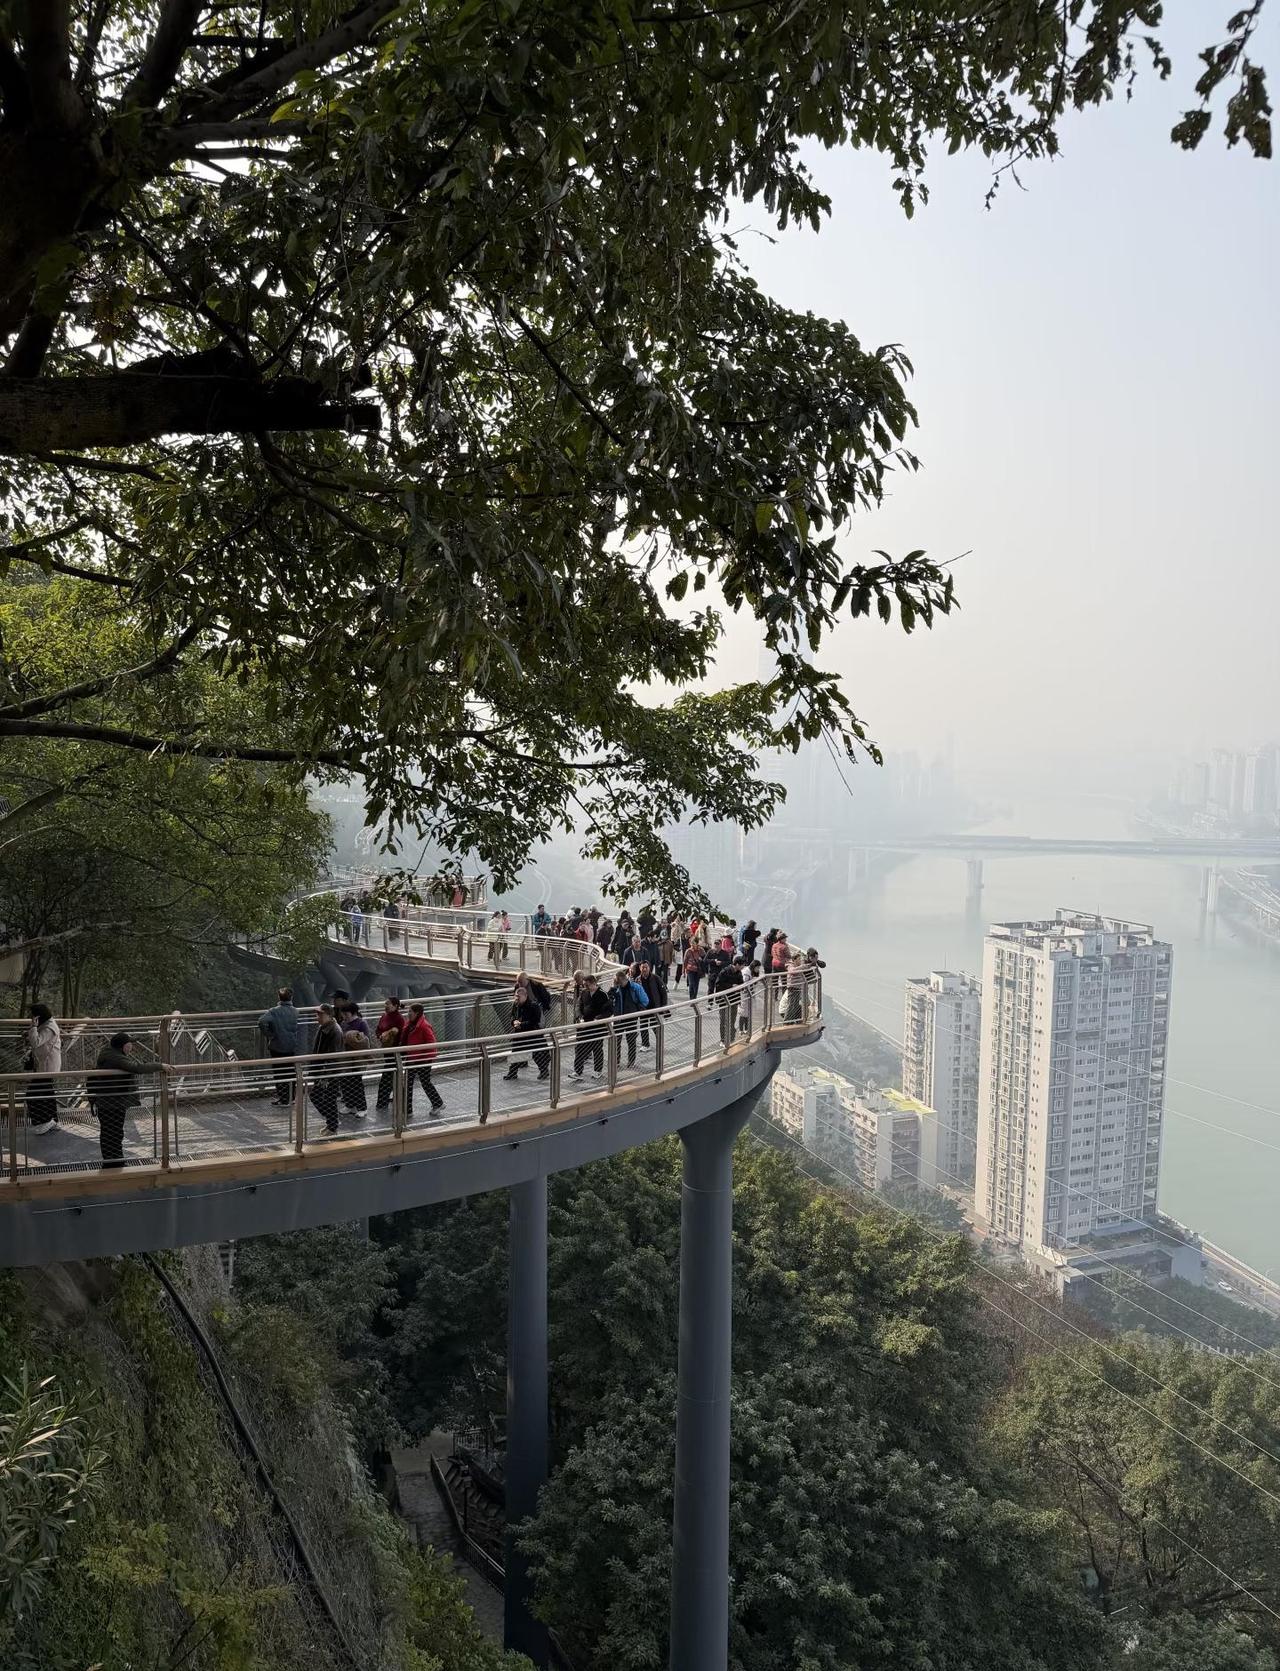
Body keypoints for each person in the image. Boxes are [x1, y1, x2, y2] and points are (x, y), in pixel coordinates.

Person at [90, 1032, 143, 1169]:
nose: (131, 1046)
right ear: (123, 1046)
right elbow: (137, 1068)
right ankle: (114, 1162)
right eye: (129, 1043)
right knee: (114, 1132)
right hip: (113, 1102)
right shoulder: (117, 1059)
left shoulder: (108, 1053)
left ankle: (112, 1160)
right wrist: (161, 1066)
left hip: (107, 1101)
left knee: (110, 1131)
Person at [24, 1003, 62, 1134]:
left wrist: (33, 1027)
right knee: (47, 1093)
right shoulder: (47, 1025)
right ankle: (53, 1120)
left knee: (33, 1094)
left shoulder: (49, 1028)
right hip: (45, 1066)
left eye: (32, 1016)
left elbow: (36, 1042)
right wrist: (32, 1029)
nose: (31, 1018)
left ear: (38, 1017)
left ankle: (46, 1121)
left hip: (47, 1067)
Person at [258, 987, 298, 1107]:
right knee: (290, 1071)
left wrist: (269, 1035)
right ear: (291, 997)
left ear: (279, 997)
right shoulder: (296, 1011)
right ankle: (291, 1097)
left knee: (279, 1072)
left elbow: (261, 1021)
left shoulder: (274, 1011)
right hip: (291, 1045)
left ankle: (283, 1098)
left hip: (277, 1045)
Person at [402, 1002, 445, 1117]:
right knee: (408, 1083)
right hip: (412, 1058)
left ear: (416, 1013)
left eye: (410, 1011)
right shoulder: (411, 1024)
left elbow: (432, 1044)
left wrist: (426, 1059)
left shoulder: (424, 1026)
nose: (408, 1013)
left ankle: (437, 1103)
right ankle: (408, 1110)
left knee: (424, 1082)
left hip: (422, 1059)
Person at [504, 976, 549, 1081]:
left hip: (531, 1034)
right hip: (519, 1033)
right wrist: (514, 1022)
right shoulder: (516, 1005)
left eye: (518, 997)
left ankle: (544, 1071)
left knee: (536, 1054)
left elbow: (535, 1020)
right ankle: (512, 1072)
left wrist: (522, 1024)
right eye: (516, 997)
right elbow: (512, 1016)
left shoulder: (534, 1006)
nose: (516, 999)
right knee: (515, 1053)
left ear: (525, 996)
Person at [309, 1004, 346, 1133]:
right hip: (322, 1070)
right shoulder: (324, 1028)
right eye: (317, 1014)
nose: (317, 1017)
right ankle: (331, 1122)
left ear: (329, 1016)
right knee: (323, 1097)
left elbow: (333, 1057)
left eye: (320, 1014)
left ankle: (333, 1124)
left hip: (330, 1072)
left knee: (325, 1098)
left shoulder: (334, 1031)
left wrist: (325, 1076)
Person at [572, 974, 612, 1078]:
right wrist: (579, 1017)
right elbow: (578, 1006)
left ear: (594, 983)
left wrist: (598, 1018)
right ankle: (578, 1071)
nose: (585, 987)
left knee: (597, 1048)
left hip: (597, 1027)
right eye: (584, 985)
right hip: (584, 1025)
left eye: (587, 985)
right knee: (579, 1048)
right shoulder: (584, 993)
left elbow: (609, 1010)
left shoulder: (603, 995)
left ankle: (598, 1070)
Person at [609, 967, 648, 1067]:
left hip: (631, 1018)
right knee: (616, 1041)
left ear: (622, 980)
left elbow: (645, 1000)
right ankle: (616, 1061)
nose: (617, 985)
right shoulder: (615, 989)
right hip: (618, 1019)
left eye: (618, 983)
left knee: (631, 1041)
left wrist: (638, 1008)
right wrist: (612, 990)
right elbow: (609, 1002)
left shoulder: (635, 987)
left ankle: (631, 1062)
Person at [374, 997, 405, 1112]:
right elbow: (377, 1030)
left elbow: (402, 1035)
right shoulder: (384, 1016)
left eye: (388, 1004)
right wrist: (381, 1036)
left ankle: (382, 1103)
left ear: (395, 1006)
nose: (386, 1006)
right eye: (385, 1004)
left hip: (395, 1052)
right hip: (387, 1050)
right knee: (393, 1075)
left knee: (387, 1076)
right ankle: (400, 1098)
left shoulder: (399, 1019)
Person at [713, 956, 745, 1047]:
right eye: (742, 965)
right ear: (737, 964)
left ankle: (731, 1039)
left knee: (732, 1019)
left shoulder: (739, 973)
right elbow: (718, 984)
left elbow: (741, 984)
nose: (743, 967)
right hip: (723, 1000)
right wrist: (731, 986)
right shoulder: (724, 971)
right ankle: (722, 1040)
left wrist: (739, 987)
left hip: (734, 999)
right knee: (723, 1020)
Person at [636, 960, 667, 1049]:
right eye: (643, 967)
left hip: (654, 1007)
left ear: (649, 968)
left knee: (656, 1026)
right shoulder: (637, 980)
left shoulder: (656, 978)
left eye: (646, 967)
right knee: (643, 1026)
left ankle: (660, 1043)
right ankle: (645, 1044)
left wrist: (663, 1005)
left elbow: (663, 992)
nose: (644, 969)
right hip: (643, 1008)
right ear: (640, 968)